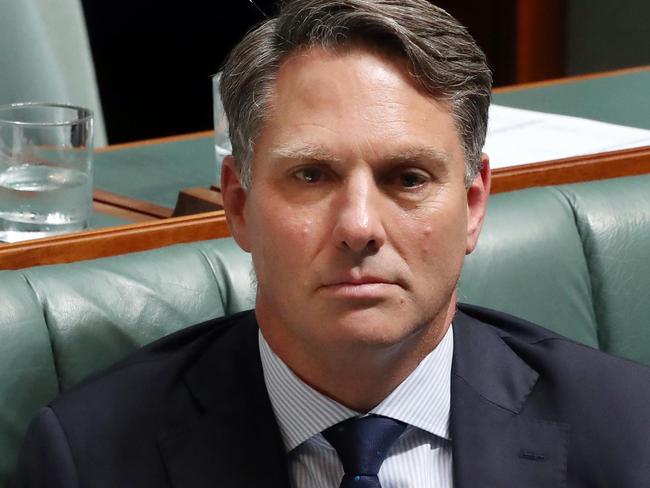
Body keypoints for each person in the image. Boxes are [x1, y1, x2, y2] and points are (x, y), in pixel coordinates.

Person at [12, 0, 650, 486]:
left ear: (473, 203)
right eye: (311, 176)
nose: (360, 227)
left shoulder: (627, 429)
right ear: (237, 203)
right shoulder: (91, 458)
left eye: (408, 178)